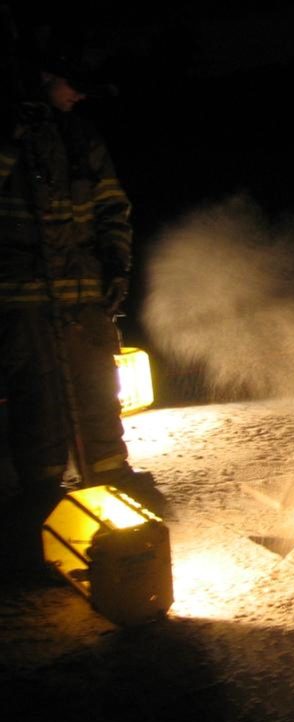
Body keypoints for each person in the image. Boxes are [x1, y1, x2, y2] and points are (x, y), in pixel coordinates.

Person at [0, 30, 162, 555]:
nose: (82, 96)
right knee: (39, 393)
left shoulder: (80, 137)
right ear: (42, 78)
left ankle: (109, 472)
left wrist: (116, 264)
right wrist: (12, 136)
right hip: (23, 293)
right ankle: (42, 493)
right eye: (73, 85)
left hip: (84, 290)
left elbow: (113, 207)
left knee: (98, 384)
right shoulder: (10, 131)